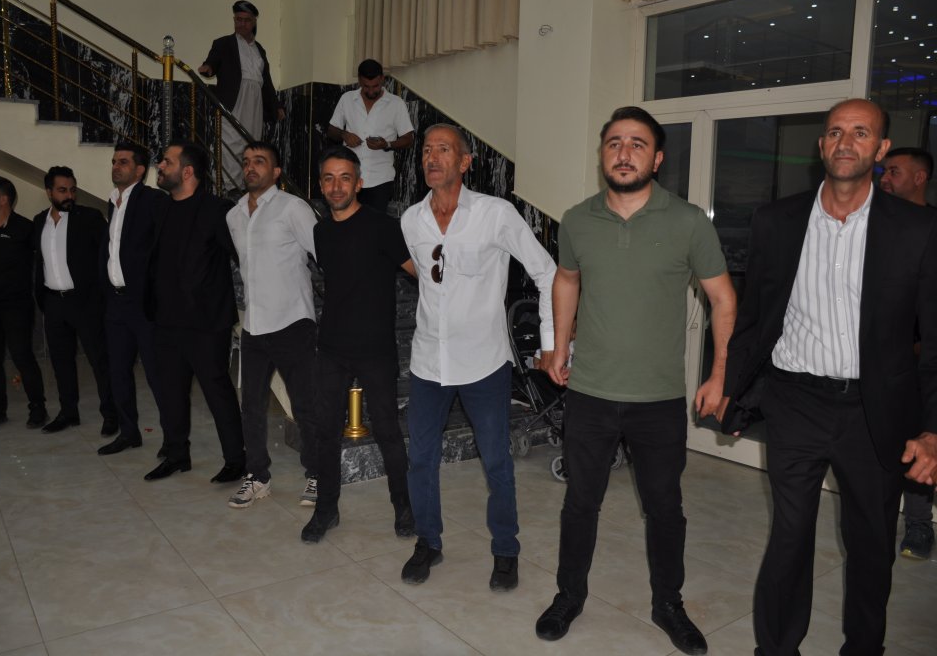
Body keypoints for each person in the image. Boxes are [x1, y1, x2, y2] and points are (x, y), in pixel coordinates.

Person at [718, 99, 937, 655]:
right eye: (836, 132)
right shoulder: (776, 221)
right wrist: (732, 388)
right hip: (796, 401)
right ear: (821, 146)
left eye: (861, 133)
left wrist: (932, 429)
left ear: (880, 149)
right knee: (789, 536)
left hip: (876, 412)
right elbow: (755, 317)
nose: (846, 142)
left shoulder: (918, 229)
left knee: (870, 544)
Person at [535, 107, 735, 655]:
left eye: (638, 144)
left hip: (658, 399)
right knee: (581, 502)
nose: (624, 154)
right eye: (614, 143)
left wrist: (719, 374)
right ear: (602, 154)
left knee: (665, 508)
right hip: (590, 393)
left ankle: (668, 603)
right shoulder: (577, 220)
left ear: (658, 158)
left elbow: (722, 298)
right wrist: (558, 344)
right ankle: (569, 595)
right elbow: (566, 280)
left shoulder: (688, 222)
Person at [399, 123, 556, 591]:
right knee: (420, 459)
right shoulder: (411, 220)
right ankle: (428, 542)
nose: (432, 157)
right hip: (429, 362)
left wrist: (550, 343)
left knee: (496, 462)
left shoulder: (496, 214)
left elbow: (547, 272)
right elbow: (426, 275)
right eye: (427, 150)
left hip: (484, 363)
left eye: (443, 150)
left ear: (465, 162)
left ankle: (506, 550)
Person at [301, 145, 416, 543]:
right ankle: (326, 510)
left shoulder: (383, 227)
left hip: (375, 349)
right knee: (325, 432)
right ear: (321, 185)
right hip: (332, 348)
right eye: (329, 178)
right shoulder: (320, 232)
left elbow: (419, 272)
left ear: (359, 183)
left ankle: (404, 508)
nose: (337, 186)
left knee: (387, 431)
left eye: (345, 178)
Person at [224, 141, 321, 508]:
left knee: (304, 405)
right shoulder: (234, 216)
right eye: (246, 161)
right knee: (251, 406)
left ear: (276, 172)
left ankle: (318, 474)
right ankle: (258, 477)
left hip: (292, 321)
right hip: (254, 323)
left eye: (260, 161)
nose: (251, 167)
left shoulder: (293, 208)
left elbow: (324, 254)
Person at [144, 143, 246, 484]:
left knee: (217, 391)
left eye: (166, 162)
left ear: (187, 172)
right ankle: (177, 454)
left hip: (206, 323)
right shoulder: (161, 208)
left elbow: (241, 255)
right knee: (171, 392)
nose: (160, 166)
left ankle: (236, 460)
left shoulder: (218, 210)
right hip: (166, 319)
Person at [879, 146, 936, 559]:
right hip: (879, 360)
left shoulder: (933, 229)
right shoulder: (873, 226)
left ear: (920, 178)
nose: (884, 179)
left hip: (923, 361)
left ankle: (919, 526)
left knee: (921, 439)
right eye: (884, 171)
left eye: (894, 172)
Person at [33, 166, 116, 435]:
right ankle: (68, 413)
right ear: (49, 192)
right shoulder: (39, 222)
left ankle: (111, 414)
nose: (69, 195)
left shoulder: (89, 218)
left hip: (86, 303)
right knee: (61, 362)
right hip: (54, 303)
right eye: (62, 190)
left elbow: (107, 256)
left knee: (99, 360)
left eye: (72, 190)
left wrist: (101, 298)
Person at [97, 143, 167, 456]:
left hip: (143, 303)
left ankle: (174, 439)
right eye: (114, 161)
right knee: (118, 371)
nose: (116, 166)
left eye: (123, 162)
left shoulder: (153, 200)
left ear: (140, 170)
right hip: (116, 302)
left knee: (157, 374)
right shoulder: (113, 202)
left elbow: (163, 248)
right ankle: (129, 433)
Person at [0, 176, 47, 431]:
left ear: (3, 199)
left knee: (22, 356)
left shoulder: (25, 228)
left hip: (16, 306)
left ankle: (38, 407)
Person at [198, 0, 284, 190]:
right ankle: (230, 187)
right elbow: (212, 62)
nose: (241, 24)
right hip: (234, 99)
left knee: (251, 141)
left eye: (246, 20)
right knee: (231, 141)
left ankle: (247, 186)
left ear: (254, 22)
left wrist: (276, 106)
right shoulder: (223, 43)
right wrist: (208, 68)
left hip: (255, 101)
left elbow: (266, 82)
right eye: (238, 19)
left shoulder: (260, 49)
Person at [326, 58, 415, 214]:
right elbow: (331, 131)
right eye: (366, 86)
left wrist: (387, 144)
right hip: (350, 177)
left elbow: (408, 139)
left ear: (382, 79)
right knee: (348, 222)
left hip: (380, 180)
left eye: (376, 86)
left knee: (374, 226)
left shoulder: (396, 103)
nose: (371, 91)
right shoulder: (347, 99)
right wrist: (344, 134)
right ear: (360, 80)